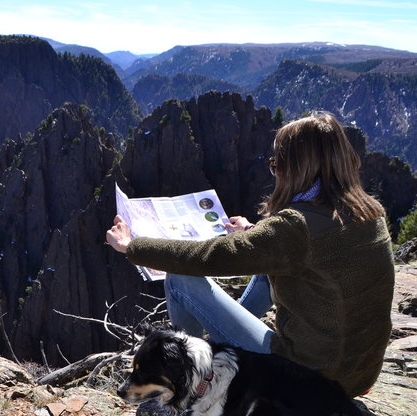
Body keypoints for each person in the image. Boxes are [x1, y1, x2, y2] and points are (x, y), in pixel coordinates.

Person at [106, 111, 394, 397]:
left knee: (180, 278)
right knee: (267, 274)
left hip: (307, 378)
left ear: (295, 168)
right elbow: (313, 251)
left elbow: (210, 257)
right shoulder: (369, 211)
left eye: (276, 163)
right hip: (355, 375)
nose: (275, 170)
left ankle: (191, 377)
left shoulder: (295, 227)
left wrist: (133, 246)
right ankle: (221, 345)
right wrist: (253, 232)